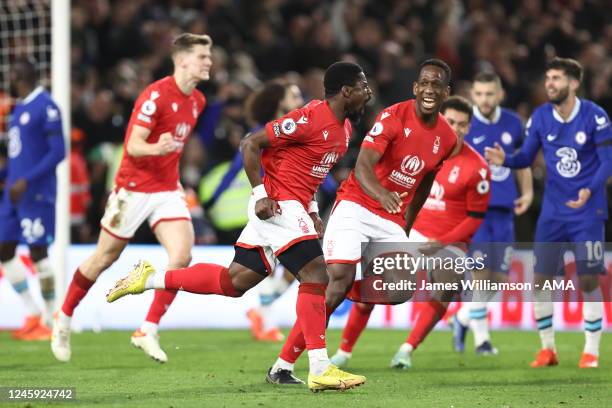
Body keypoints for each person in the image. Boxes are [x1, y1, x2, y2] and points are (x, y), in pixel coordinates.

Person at [106, 61, 372, 392]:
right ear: (346, 91)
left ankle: (150, 278)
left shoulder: (344, 129)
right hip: (277, 203)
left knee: (234, 282)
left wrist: (314, 208)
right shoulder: (311, 117)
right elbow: (250, 143)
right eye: (363, 86)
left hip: (294, 204)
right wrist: (260, 194)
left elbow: (310, 173)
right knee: (318, 275)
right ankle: (320, 366)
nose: (369, 93)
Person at [266, 59, 458, 383]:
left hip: (391, 216)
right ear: (415, 87)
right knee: (337, 280)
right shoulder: (393, 116)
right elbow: (363, 166)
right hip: (356, 204)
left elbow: (425, 181)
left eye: (436, 84)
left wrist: (407, 222)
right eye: (423, 83)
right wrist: (382, 193)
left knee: (400, 289)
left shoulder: (447, 138)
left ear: (445, 92)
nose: (428, 89)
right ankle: (284, 365)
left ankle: (345, 287)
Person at [51, 33, 212, 363]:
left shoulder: (198, 100)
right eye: (202, 57)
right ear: (181, 60)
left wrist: (175, 175)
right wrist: (158, 147)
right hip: (132, 190)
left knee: (181, 256)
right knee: (103, 258)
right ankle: (63, 317)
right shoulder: (155, 96)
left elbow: (175, 149)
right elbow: (134, 145)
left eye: (208, 57)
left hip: (166, 190)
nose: (208, 62)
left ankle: (147, 329)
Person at [330, 96, 491, 369]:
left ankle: (406, 350)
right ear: (441, 120)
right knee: (375, 283)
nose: (455, 128)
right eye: (450, 121)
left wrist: (443, 241)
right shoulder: (422, 149)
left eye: (462, 124)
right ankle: (344, 351)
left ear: (469, 127)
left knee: (447, 282)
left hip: (446, 242)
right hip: (409, 230)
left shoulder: (477, 168)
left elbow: (475, 219)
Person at [485, 57, 611, 369]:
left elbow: (608, 161)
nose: (550, 84)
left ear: (573, 83)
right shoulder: (541, 116)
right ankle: (547, 349)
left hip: (587, 210)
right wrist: (506, 160)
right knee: (541, 280)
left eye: (556, 78)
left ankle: (591, 350)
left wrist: (589, 189)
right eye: (548, 78)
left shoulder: (595, 117)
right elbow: (526, 156)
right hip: (553, 212)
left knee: (588, 279)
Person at [201, 80, 305, 342]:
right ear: (279, 102)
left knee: (292, 268)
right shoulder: (262, 134)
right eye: (293, 95)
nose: (299, 97)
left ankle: (261, 314)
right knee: (299, 266)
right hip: (270, 209)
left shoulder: (299, 131)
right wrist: (210, 203)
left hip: (292, 205)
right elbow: (235, 169)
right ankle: (264, 317)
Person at [452, 71, 533, 355]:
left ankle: (461, 318)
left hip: (504, 210)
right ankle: (482, 341)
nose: (485, 100)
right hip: (474, 213)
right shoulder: (463, 125)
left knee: (497, 279)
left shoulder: (513, 122)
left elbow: (522, 161)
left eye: (490, 94)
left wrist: (528, 192)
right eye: (480, 94)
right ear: (473, 95)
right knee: (479, 275)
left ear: (500, 94)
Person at [0, 59, 65, 340]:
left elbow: (57, 151)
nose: (10, 78)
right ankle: (32, 312)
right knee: (4, 249)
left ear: (22, 75)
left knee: (38, 253)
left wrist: (27, 179)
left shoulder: (46, 106)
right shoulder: (20, 108)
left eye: (13, 73)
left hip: (37, 192)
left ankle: (51, 319)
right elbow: (20, 154)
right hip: (13, 193)